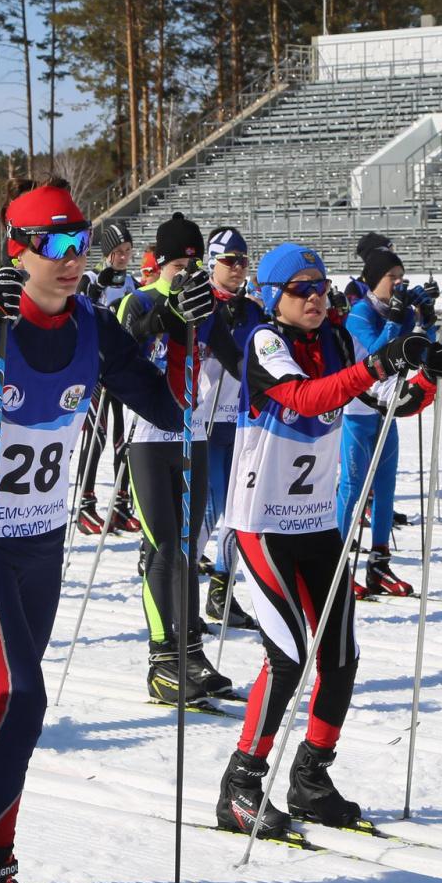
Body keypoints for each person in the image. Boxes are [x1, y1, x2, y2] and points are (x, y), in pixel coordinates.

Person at [0, 181, 179, 883]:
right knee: (22, 695)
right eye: (54, 245)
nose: (71, 259)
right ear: (16, 248)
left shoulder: (92, 322)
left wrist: (180, 333)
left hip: (43, 536)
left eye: (80, 241)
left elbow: (162, 406)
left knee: (5, 702)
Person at [215, 242, 442, 837]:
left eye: (321, 287)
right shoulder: (265, 341)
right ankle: (241, 783)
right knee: (289, 656)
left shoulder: (338, 342)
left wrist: (426, 376)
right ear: (274, 296)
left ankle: (311, 777)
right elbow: (305, 398)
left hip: (318, 521)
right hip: (262, 523)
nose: (317, 297)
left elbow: (384, 403)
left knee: (340, 655)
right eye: (302, 289)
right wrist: (377, 364)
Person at [116, 213, 244, 703]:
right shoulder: (142, 297)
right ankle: (161, 658)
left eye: (194, 262)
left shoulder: (207, 305)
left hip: (195, 435)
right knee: (163, 549)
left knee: (189, 549)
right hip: (150, 437)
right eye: (179, 264)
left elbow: (238, 362)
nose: (187, 273)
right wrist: (168, 317)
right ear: (163, 263)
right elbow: (130, 337)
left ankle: (190, 650)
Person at [337, 244, 436, 599]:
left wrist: (427, 318)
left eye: (400, 277)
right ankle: (336, 564)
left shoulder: (399, 310)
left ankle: (379, 563)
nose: (397, 283)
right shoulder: (359, 313)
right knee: (352, 488)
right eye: (391, 277)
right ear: (372, 280)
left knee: (386, 489)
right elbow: (379, 352)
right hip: (357, 411)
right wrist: (395, 319)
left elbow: (427, 352)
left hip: (387, 408)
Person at [201, 227, 261, 630]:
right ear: (211, 262)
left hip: (238, 422)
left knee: (237, 514)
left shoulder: (252, 309)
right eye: (229, 260)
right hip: (202, 421)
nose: (238, 268)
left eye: (243, 260)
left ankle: (221, 592)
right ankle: (183, 591)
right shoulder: (198, 303)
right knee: (209, 513)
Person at [74, 221, 139, 536]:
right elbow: (85, 300)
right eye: (117, 252)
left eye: (127, 251)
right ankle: (86, 503)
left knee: (123, 438)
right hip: (95, 369)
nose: (123, 258)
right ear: (106, 253)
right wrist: (100, 285)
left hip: (122, 367)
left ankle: (120, 504)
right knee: (96, 436)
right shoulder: (90, 277)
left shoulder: (132, 283)